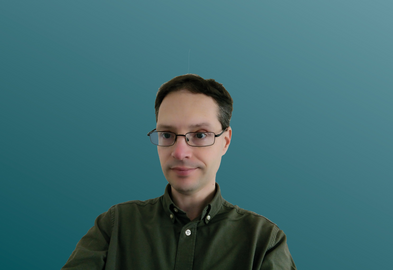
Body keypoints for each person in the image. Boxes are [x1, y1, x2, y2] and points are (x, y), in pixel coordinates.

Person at [62, 74, 296, 270]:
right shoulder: (115, 226)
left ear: (225, 141)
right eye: (167, 135)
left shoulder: (264, 242)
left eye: (200, 135)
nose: (180, 151)